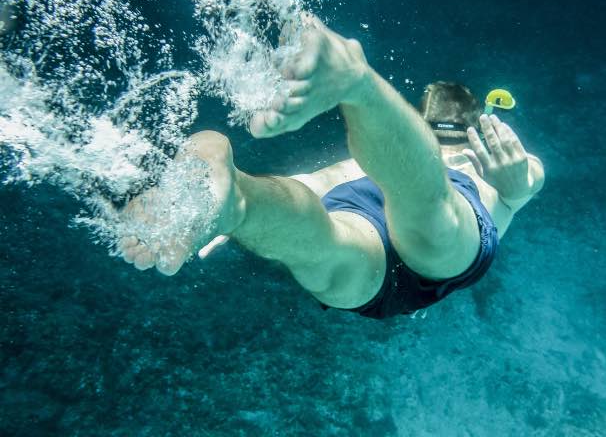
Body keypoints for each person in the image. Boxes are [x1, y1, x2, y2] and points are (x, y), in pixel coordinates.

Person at [118, 17, 544, 319]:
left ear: (418, 121)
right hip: (425, 230)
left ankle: (240, 202)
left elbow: (320, 181)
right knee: (429, 216)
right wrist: (515, 182)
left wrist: (219, 211)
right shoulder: (489, 161)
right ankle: (358, 85)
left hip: (363, 203)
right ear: (473, 128)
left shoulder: (382, 156)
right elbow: (525, 181)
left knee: (321, 240)